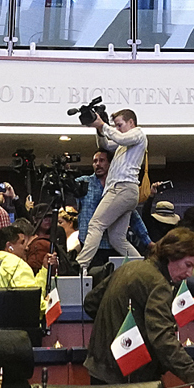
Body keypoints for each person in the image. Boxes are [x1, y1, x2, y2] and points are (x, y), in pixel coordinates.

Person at [82, 227, 194, 385]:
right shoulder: (159, 284)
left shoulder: (127, 268)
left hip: (99, 368)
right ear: (171, 255)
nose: (190, 273)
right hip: (130, 378)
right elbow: (162, 338)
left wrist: (115, 326)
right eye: (188, 265)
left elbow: (91, 303)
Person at [75, 109, 148, 269]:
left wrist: (102, 124)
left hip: (122, 188)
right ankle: (143, 268)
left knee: (95, 225)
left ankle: (80, 265)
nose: (117, 129)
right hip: (126, 191)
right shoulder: (124, 143)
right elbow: (105, 145)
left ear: (131, 122)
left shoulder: (138, 133)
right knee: (117, 238)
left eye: (120, 125)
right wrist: (99, 128)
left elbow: (120, 137)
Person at [75, 152, 151, 266]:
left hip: (113, 247)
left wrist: (147, 241)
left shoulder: (120, 187)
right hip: (90, 248)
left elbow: (133, 216)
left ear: (111, 164)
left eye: (102, 160)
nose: (98, 164)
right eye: (95, 161)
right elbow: (69, 187)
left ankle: (143, 268)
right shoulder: (83, 183)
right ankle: (80, 266)